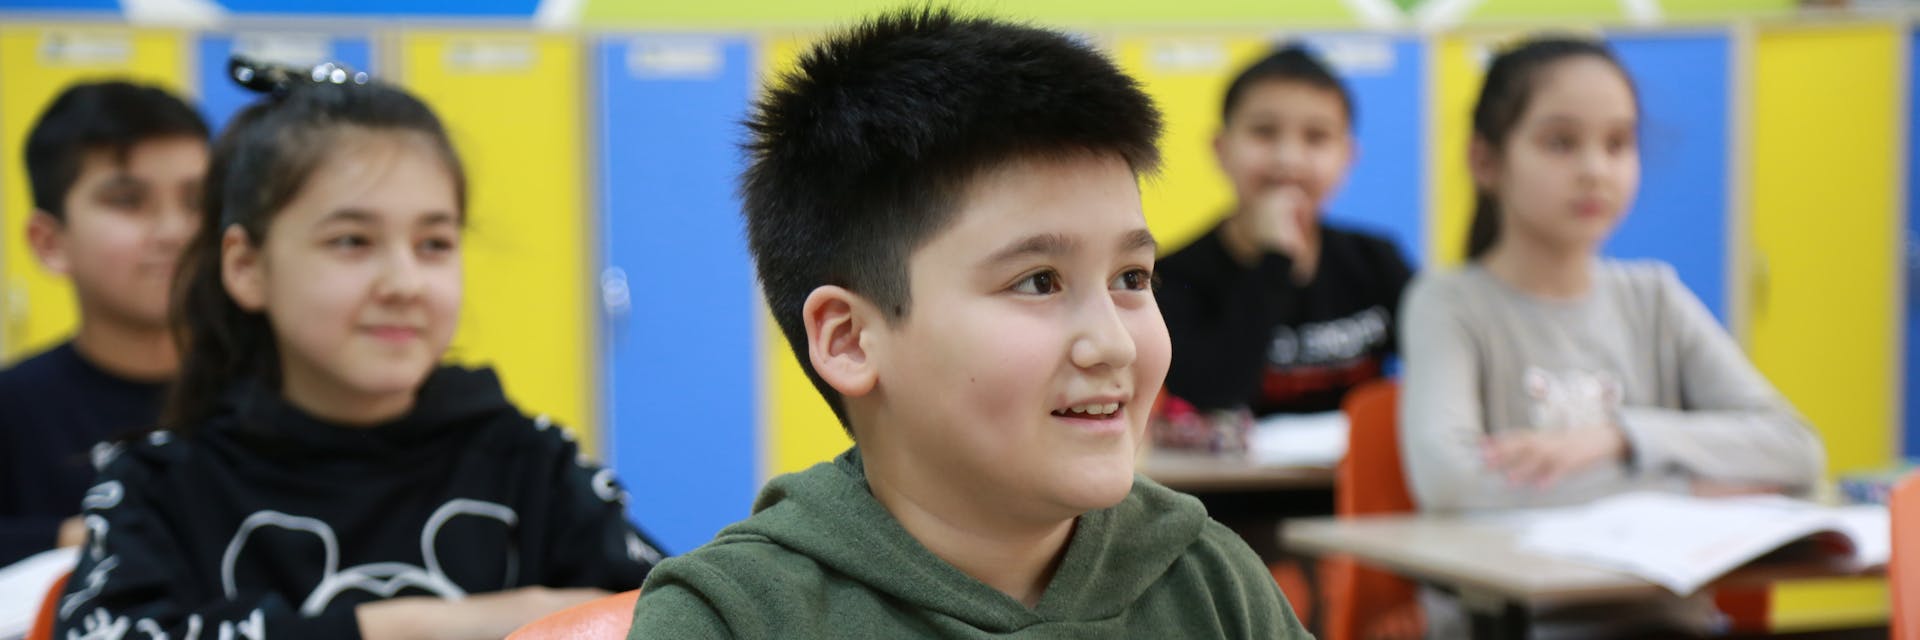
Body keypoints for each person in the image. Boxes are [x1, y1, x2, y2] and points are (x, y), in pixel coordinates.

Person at [625, 8, 1308, 638]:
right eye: (1039, 282)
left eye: (1131, 278)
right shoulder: (729, 620)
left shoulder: (1212, 582)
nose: (1113, 342)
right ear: (849, 339)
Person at [54, 58, 664, 638]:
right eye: (352, 241)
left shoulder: (531, 462)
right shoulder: (162, 483)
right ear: (246, 266)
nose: (403, 283)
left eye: (434, 243)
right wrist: (416, 625)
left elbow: (673, 611)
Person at [1398, 36, 1824, 636]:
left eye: (1618, 143)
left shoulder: (1654, 296)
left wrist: (1619, 438)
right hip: (1520, 625)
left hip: (1671, 622)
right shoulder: (1450, 303)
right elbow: (1451, 481)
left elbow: (1796, 448)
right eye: (1560, 142)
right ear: (1486, 162)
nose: (1595, 169)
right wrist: (1689, 485)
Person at [0, 80, 208, 567]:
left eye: (197, 201)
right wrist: (71, 538)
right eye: (128, 201)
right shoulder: (13, 409)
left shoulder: (273, 395)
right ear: (49, 241)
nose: (174, 231)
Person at [1157, 45, 1412, 417]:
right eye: (1264, 132)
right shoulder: (1175, 276)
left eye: (1316, 137)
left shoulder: (1376, 260)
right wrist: (1275, 261)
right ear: (1221, 149)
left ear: (1348, 156)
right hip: (1225, 476)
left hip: (1352, 472)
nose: (1288, 158)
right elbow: (1212, 396)